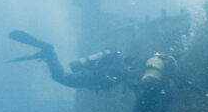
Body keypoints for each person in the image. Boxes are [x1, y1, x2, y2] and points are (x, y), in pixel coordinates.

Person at [8, 30, 137, 90]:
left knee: (60, 76)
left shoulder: (116, 62)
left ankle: (47, 53)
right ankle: (48, 51)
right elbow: (105, 79)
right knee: (59, 77)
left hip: (84, 76)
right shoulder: (119, 69)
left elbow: (102, 74)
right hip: (84, 78)